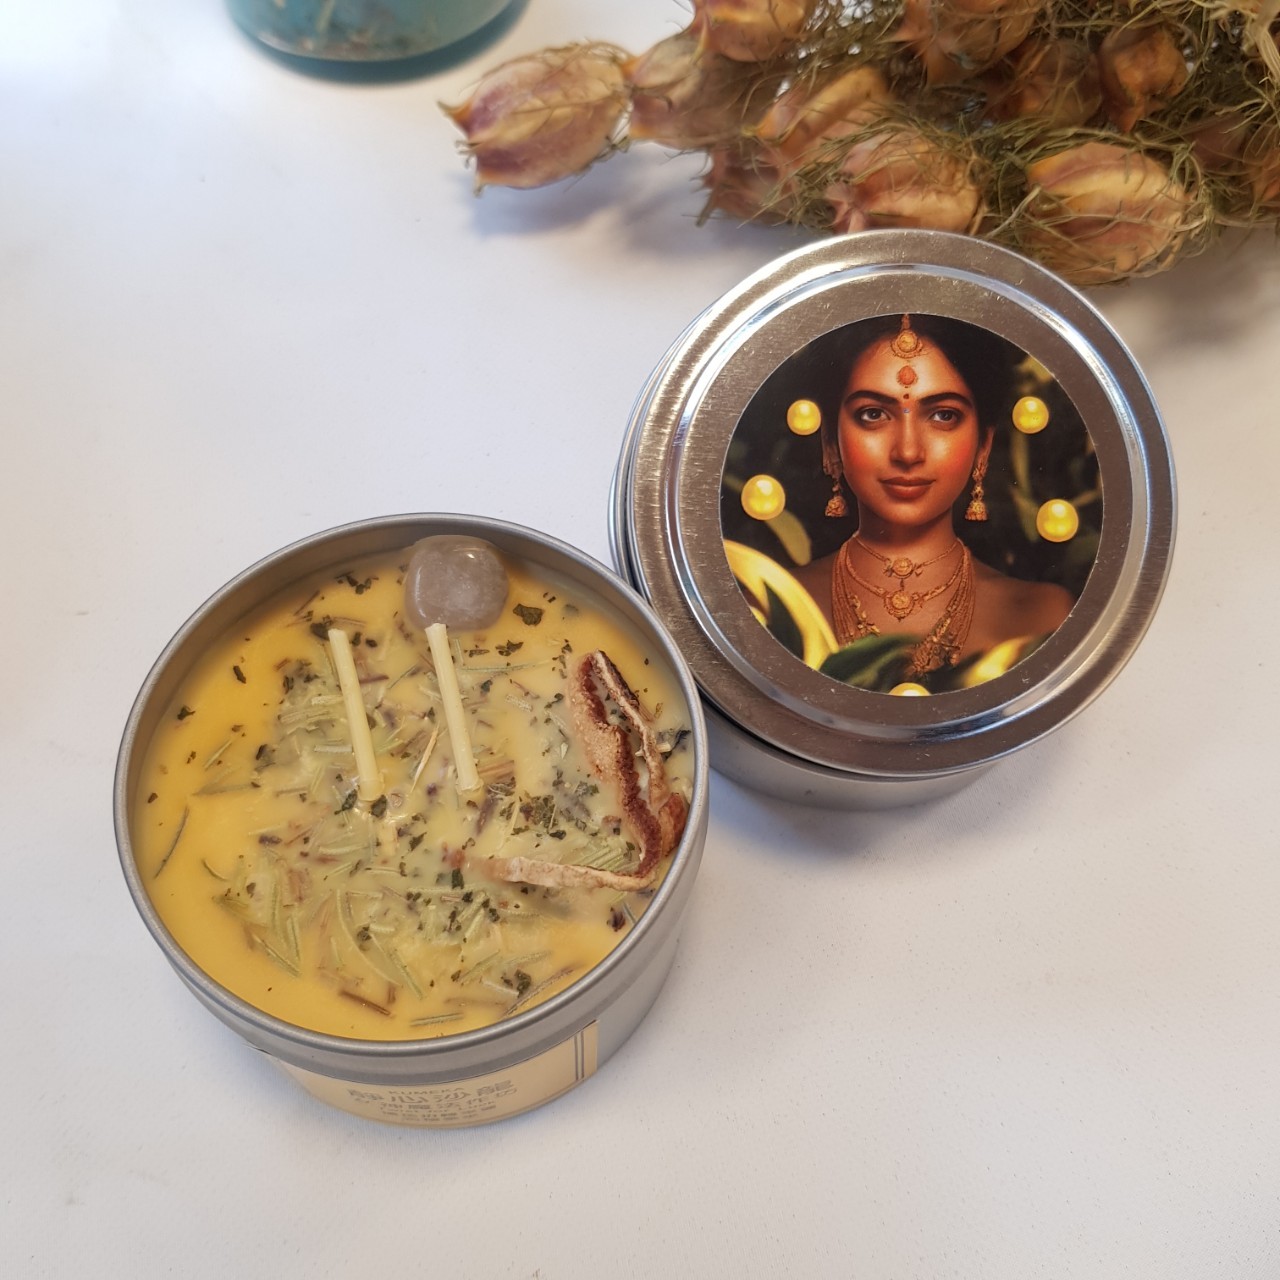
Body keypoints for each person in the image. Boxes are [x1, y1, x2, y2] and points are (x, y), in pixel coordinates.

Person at [792, 313, 1073, 678]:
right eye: (873, 414)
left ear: (983, 447)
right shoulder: (777, 602)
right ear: (830, 442)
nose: (908, 452)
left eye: (943, 416)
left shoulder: (1039, 616)